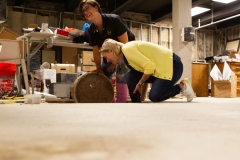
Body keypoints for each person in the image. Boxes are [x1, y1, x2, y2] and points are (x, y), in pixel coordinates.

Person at [78, 0, 148, 102]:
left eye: (87, 8)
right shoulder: (91, 30)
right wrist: (98, 68)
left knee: (121, 69)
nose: (85, 12)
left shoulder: (114, 20)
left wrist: (116, 62)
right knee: (101, 75)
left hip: (127, 54)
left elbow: (125, 45)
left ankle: (121, 101)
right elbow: (96, 51)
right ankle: (110, 100)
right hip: (110, 56)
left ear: (96, 7)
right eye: (83, 11)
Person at [99, 39, 195, 103]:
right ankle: (137, 103)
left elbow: (149, 67)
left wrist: (140, 83)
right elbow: (144, 71)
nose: (107, 61)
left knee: (154, 96)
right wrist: (142, 94)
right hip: (159, 69)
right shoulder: (126, 58)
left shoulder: (127, 49)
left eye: (106, 57)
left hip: (172, 66)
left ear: (111, 50)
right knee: (130, 76)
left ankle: (182, 86)